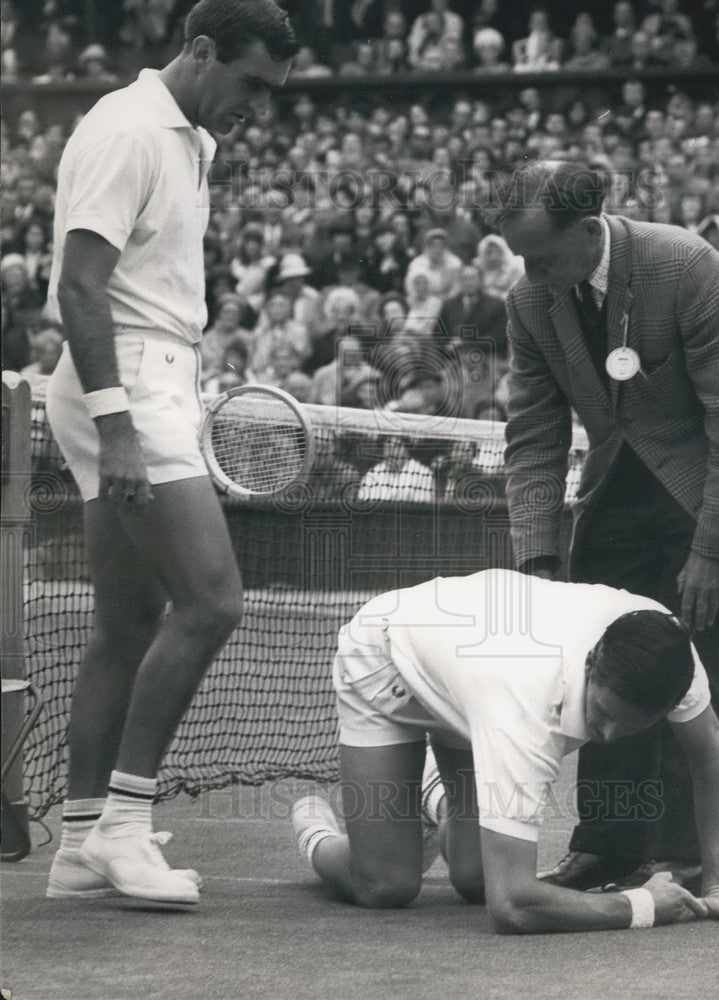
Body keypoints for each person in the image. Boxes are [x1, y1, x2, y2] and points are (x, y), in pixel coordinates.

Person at [43, 0, 299, 906]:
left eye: (272, 92)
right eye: (251, 84)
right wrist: (119, 423)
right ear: (198, 50)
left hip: (156, 381)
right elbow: (78, 286)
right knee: (212, 602)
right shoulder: (127, 131)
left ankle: (77, 844)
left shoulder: (194, 139)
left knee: (125, 623)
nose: (257, 106)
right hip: (125, 388)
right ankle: (124, 823)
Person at [494, 161, 719, 894]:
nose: (527, 271)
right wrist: (537, 557)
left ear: (584, 229)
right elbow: (533, 433)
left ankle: (686, 854)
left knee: (691, 660)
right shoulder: (528, 299)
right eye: (517, 256)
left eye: (539, 255)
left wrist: (711, 550)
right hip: (619, 483)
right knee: (600, 661)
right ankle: (607, 847)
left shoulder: (685, 265)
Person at [292, 569, 719, 933]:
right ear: (592, 662)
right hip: (388, 660)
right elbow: (512, 906)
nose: (604, 735)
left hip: (475, 673)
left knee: (474, 879)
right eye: (601, 712)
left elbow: (709, 757)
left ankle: (434, 794)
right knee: (387, 886)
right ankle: (312, 819)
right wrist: (641, 906)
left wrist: (718, 886)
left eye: (628, 726)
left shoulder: (670, 657)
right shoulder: (525, 708)